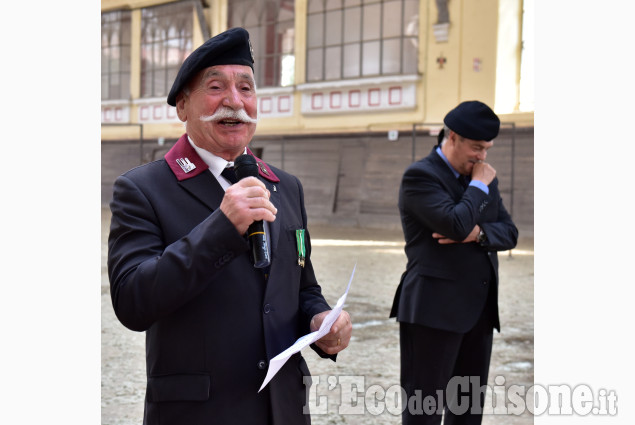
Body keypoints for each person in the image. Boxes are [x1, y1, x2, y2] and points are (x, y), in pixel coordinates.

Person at [108, 27, 352, 425]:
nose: (234, 102)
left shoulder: (285, 187)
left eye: (246, 88)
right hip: (200, 412)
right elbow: (133, 302)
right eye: (216, 86)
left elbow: (302, 285)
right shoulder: (143, 189)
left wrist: (320, 319)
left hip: (283, 408)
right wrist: (222, 226)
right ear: (183, 106)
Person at [390, 101, 518, 424]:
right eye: (477, 147)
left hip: (479, 314)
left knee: (467, 415)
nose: (482, 157)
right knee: (424, 413)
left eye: (487, 149)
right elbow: (455, 225)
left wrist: (479, 235)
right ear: (453, 137)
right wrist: (477, 188)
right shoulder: (420, 177)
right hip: (433, 313)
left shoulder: (483, 176)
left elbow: (510, 232)